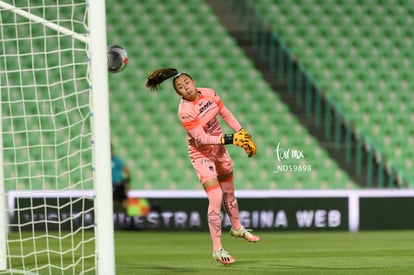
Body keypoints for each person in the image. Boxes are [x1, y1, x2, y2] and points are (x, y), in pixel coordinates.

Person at [145, 68, 259, 265]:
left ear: (193, 81)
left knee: (230, 192)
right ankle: (217, 249)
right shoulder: (185, 112)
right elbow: (202, 138)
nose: (185, 88)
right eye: (180, 87)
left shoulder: (209, 93)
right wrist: (232, 138)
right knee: (216, 196)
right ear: (178, 93)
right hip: (201, 154)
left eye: (186, 83)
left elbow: (225, 113)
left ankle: (237, 228)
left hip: (220, 149)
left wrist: (243, 133)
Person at [111, 143, 131, 211]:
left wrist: (127, 183)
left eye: (111, 150)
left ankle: (126, 218)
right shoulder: (102, 162)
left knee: (124, 201)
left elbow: (127, 172)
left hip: (118, 184)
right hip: (109, 186)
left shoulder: (117, 161)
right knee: (110, 202)